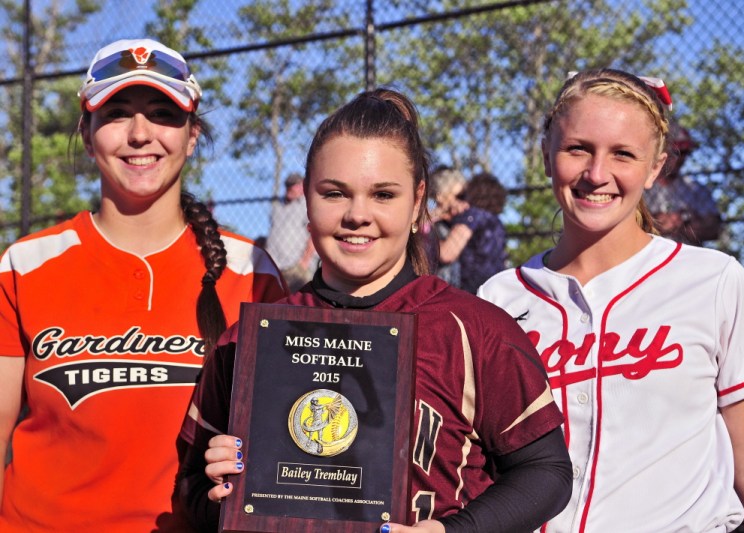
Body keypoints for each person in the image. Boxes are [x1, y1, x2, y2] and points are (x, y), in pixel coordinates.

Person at [174, 88, 573, 532]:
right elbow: (188, 491)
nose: (357, 215)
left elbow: (546, 472)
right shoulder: (252, 339)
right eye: (334, 193)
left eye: (383, 194)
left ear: (418, 199)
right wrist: (219, 494)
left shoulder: (474, 329)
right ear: (306, 197)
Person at [0, 38, 287, 532]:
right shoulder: (25, 264)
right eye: (115, 113)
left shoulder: (251, 271)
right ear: (87, 135)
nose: (139, 134)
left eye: (162, 113)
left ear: (192, 135)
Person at [478, 68, 744, 532]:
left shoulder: (715, 280)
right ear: (547, 155)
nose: (596, 174)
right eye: (577, 148)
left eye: (623, 154)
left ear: (655, 168)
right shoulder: (498, 296)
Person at [430, 167, 508, 293]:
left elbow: (447, 253)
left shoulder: (471, 216)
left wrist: (423, 243)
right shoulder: (494, 221)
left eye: (462, 197)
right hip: (495, 286)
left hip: (473, 289)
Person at [644, 121, 722, 245]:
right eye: (675, 151)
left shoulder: (695, 189)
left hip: (686, 256)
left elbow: (715, 229)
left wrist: (685, 223)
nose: (680, 157)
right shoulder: (640, 186)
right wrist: (654, 222)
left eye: (685, 152)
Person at [265, 172, 317, 292]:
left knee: (298, 306)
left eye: (294, 185)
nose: (290, 188)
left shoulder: (307, 205)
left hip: (295, 267)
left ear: (302, 186)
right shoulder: (278, 207)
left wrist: (304, 262)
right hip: (275, 267)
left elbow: (314, 233)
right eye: (288, 185)